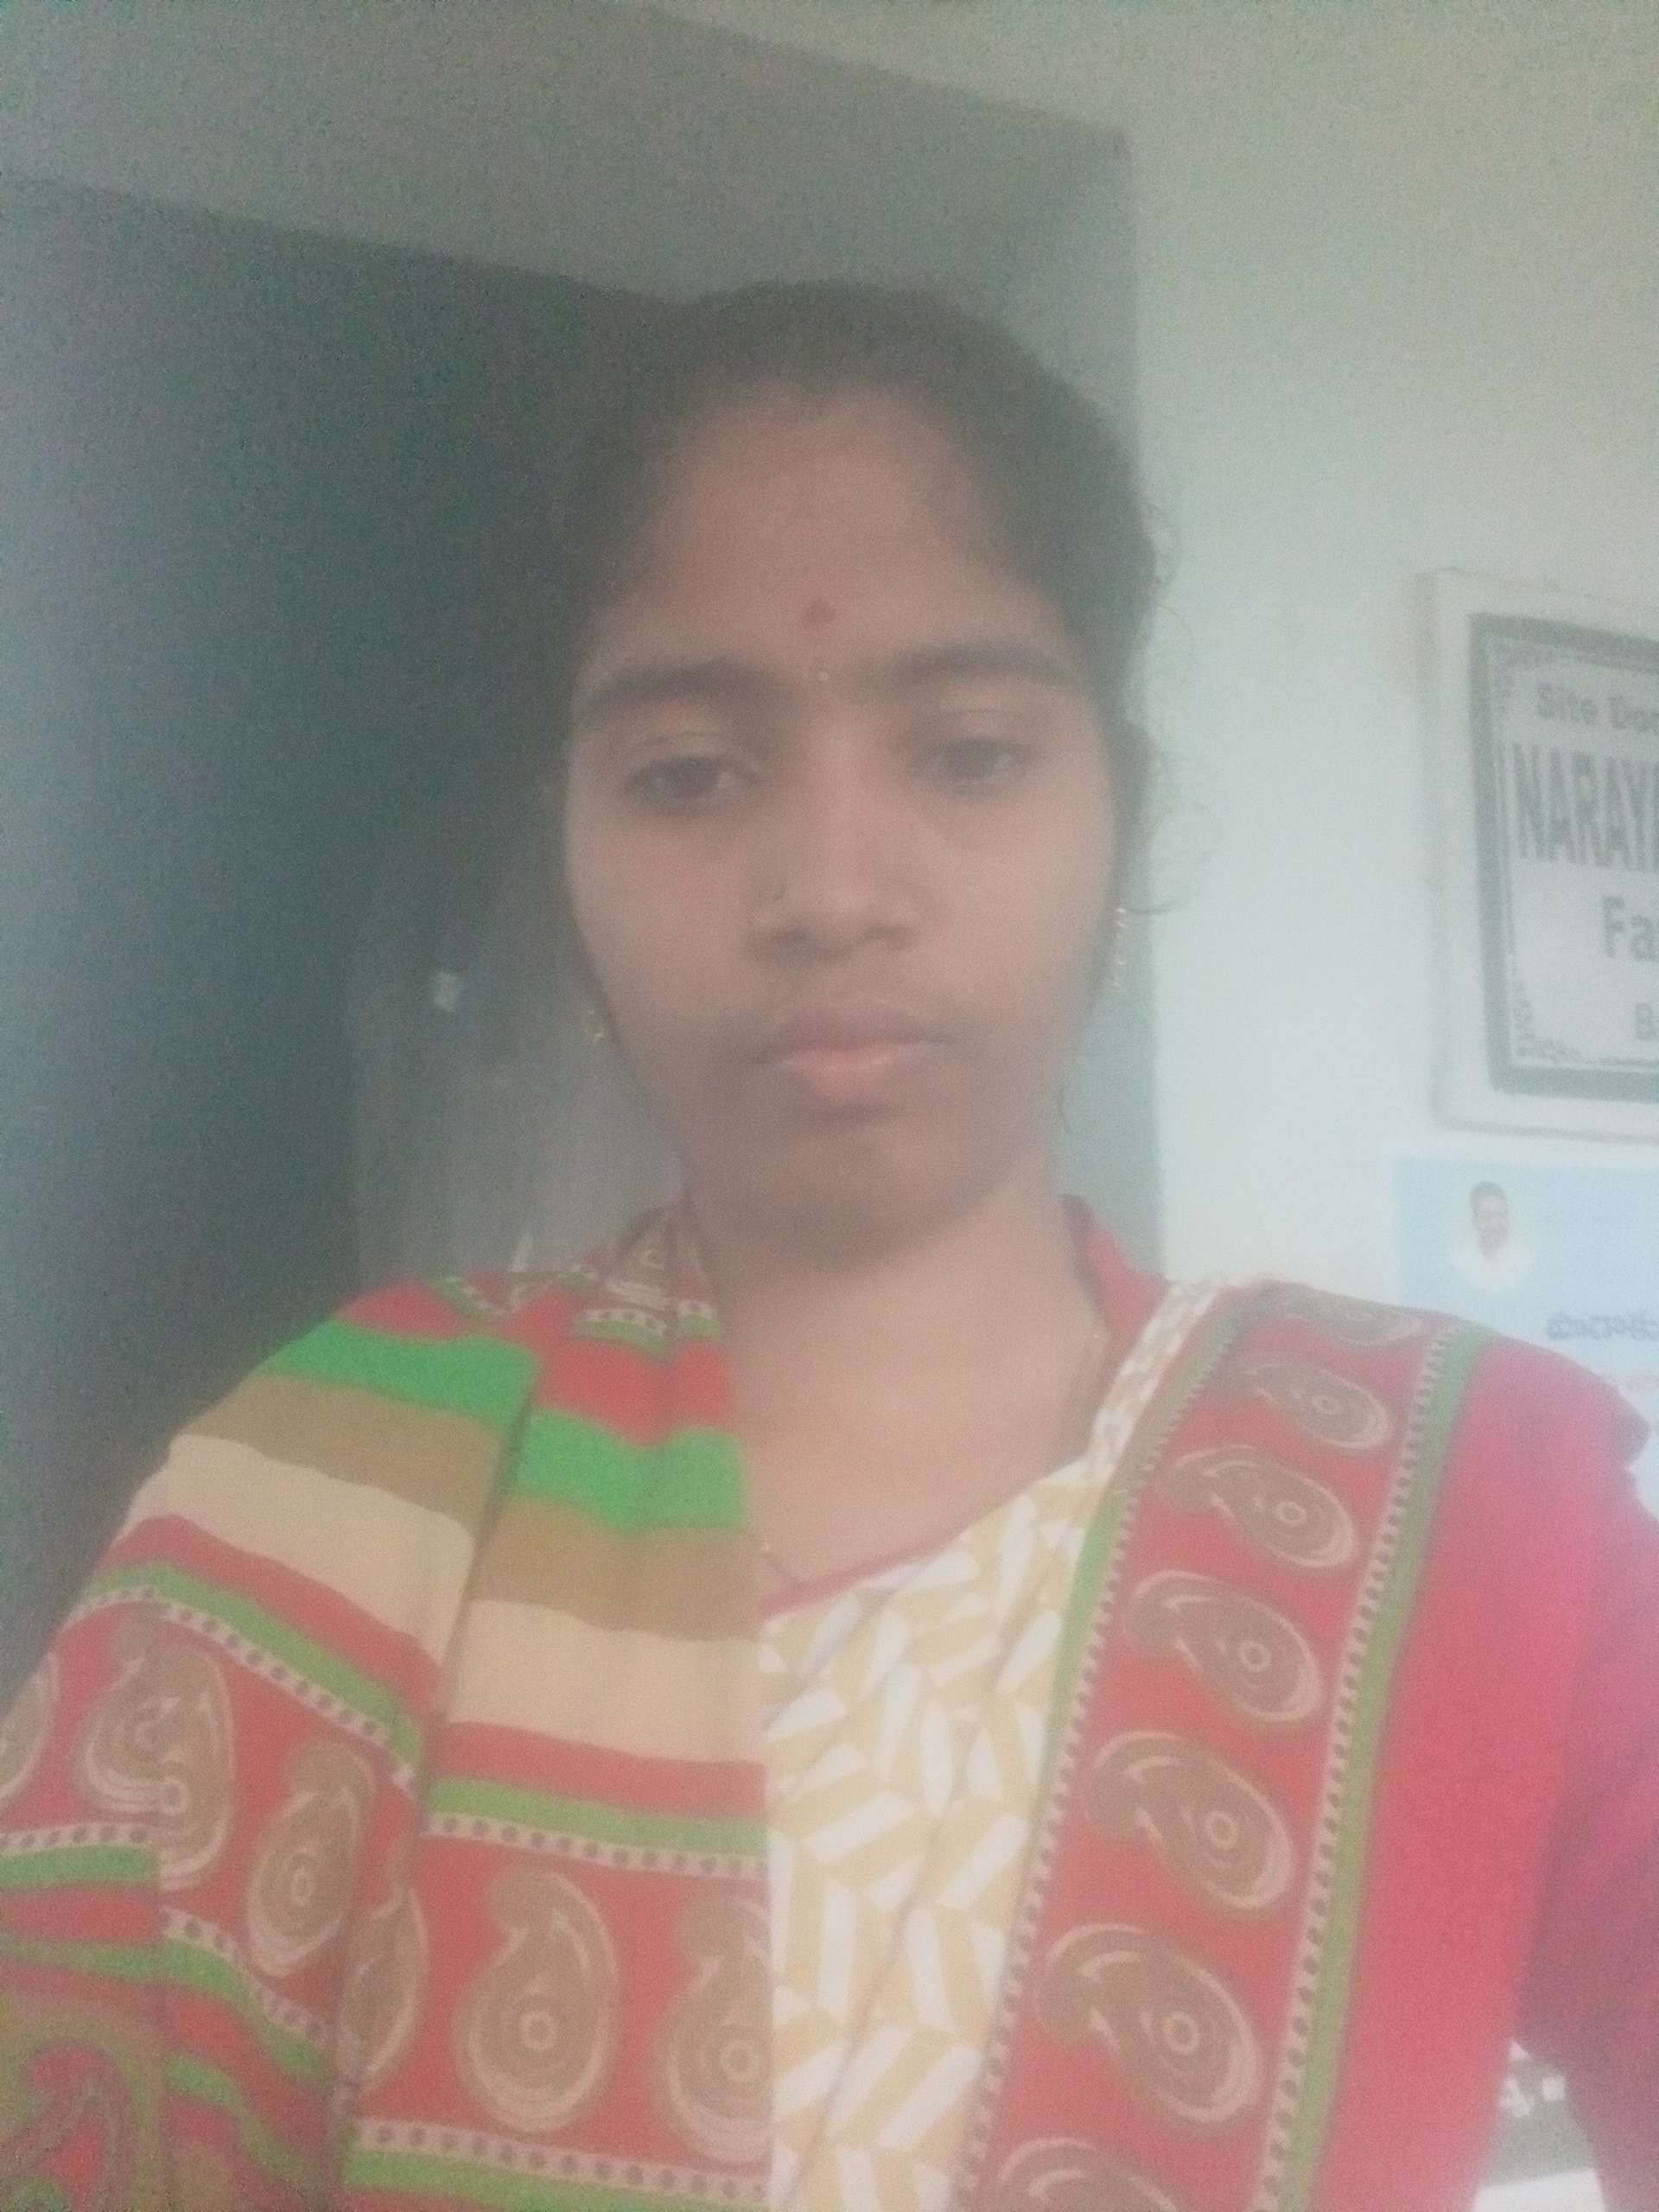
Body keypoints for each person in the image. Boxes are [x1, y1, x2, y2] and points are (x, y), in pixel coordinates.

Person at [0, 283, 1655, 2212]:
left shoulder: (1482, 1520)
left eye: (968, 752)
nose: (832, 889)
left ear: (1119, 820)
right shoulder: (314, 1498)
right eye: (690, 773)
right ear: (569, 848)